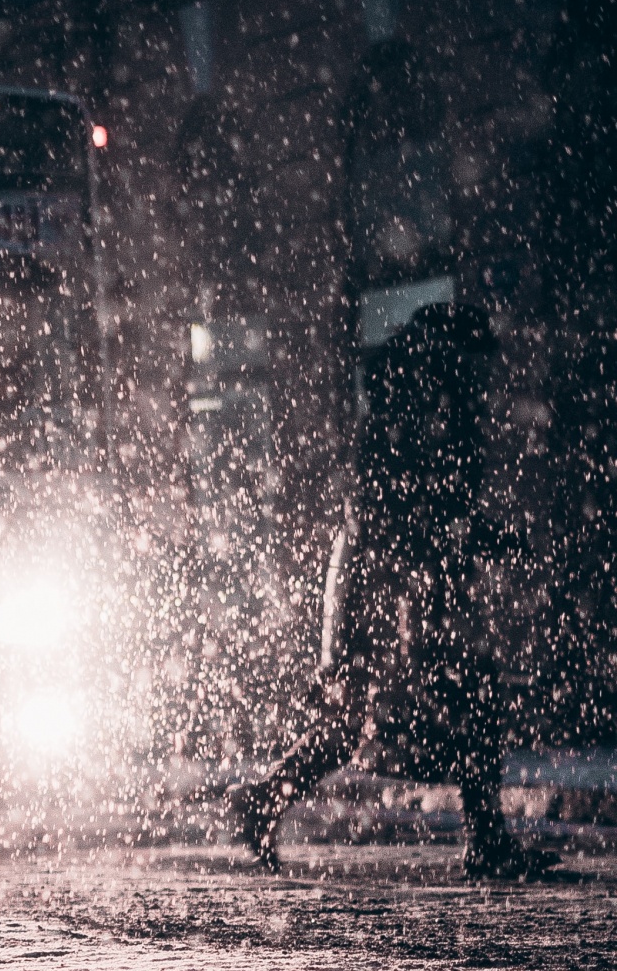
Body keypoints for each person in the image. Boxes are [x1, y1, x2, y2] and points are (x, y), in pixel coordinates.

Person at [234, 300, 547, 880]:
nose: (486, 376)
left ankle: (264, 801)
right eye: (476, 364)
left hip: (402, 580)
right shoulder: (415, 399)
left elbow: (430, 496)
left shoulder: (428, 398)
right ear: (451, 356)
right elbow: (393, 501)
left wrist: (479, 536)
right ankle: (484, 839)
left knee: (392, 707)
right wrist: (454, 540)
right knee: (430, 696)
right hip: (387, 584)